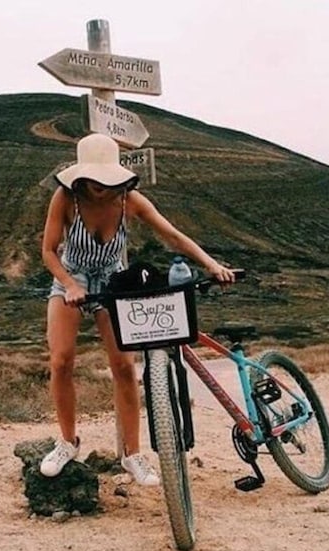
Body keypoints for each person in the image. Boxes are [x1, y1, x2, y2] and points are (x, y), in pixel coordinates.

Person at [40, 133, 235, 486]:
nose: (100, 188)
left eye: (106, 180)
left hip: (113, 282)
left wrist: (211, 264)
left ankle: (132, 454)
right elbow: (49, 251)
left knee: (124, 366)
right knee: (61, 360)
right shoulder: (66, 198)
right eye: (93, 180)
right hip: (71, 280)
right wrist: (70, 285)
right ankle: (67, 441)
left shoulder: (129, 200)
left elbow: (172, 235)